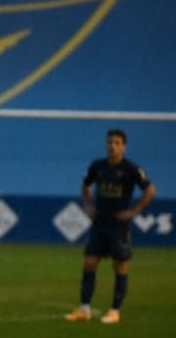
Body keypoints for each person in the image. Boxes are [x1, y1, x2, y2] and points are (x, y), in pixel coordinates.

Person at [65, 129, 155, 325]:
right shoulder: (97, 166)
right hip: (99, 223)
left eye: (117, 143)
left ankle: (115, 311)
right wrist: (87, 205)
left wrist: (133, 211)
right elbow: (85, 185)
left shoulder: (131, 169)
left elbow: (150, 190)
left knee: (120, 265)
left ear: (124, 146)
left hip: (119, 225)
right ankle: (84, 309)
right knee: (89, 262)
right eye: (110, 142)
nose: (112, 146)